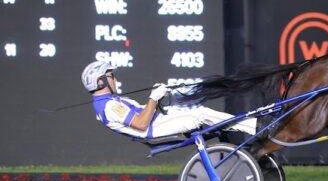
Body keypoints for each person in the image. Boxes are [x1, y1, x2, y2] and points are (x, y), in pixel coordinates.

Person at [81, 60, 256, 139]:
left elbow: (143, 113)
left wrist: (156, 98)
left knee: (201, 109)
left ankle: (249, 126)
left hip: (158, 122)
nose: (115, 79)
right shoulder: (109, 106)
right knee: (201, 115)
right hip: (153, 129)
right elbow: (141, 123)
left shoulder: (109, 102)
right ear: (100, 81)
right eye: (111, 76)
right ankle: (254, 127)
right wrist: (153, 97)